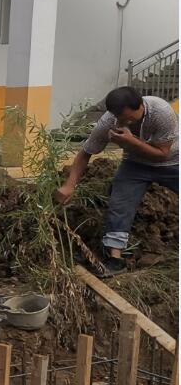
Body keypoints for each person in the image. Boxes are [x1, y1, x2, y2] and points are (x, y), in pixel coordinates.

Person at [55, 86, 178, 276]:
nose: (125, 122)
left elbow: (161, 154)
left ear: (141, 106)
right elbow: (86, 152)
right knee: (119, 205)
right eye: (121, 118)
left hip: (172, 162)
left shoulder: (162, 112)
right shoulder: (109, 121)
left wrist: (132, 142)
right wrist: (69, 184)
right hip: (135, 164)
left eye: (130, 118)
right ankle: (115, 259)